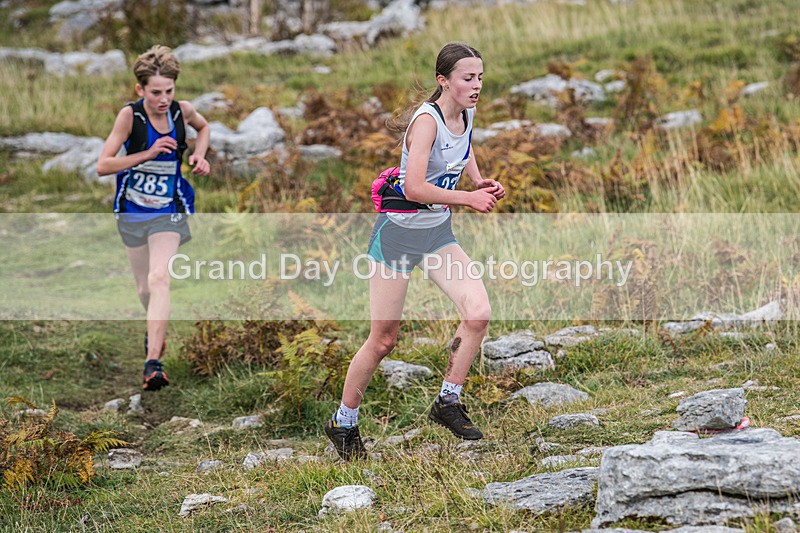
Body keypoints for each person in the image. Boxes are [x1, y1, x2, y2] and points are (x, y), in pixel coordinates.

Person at [325, 42, 505, 460]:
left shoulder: (467, 110)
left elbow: (466, 147)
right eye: (467, 78)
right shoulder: (426, 122)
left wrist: (477, 180)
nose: (476, 85)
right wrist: (467, 199)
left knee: (477, 313)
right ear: (444, 81)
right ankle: (343, 422)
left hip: (436, 234)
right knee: (383, 340)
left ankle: (447, 401)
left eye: (480, 77)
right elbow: (414, 188)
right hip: (397, 237)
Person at [97, 45, 211, 391]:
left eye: (169, 91)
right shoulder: (129, 117)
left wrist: (200, 156)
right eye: (156, 92)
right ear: (140, 90)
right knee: (145, 287)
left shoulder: (182, 112)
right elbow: (103, 165)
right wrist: (146, 153)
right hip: (132, 211)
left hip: (168, 210)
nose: (164, 99)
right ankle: (154, 328)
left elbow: (203, 128)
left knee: (160, 277)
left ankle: (153, 363)